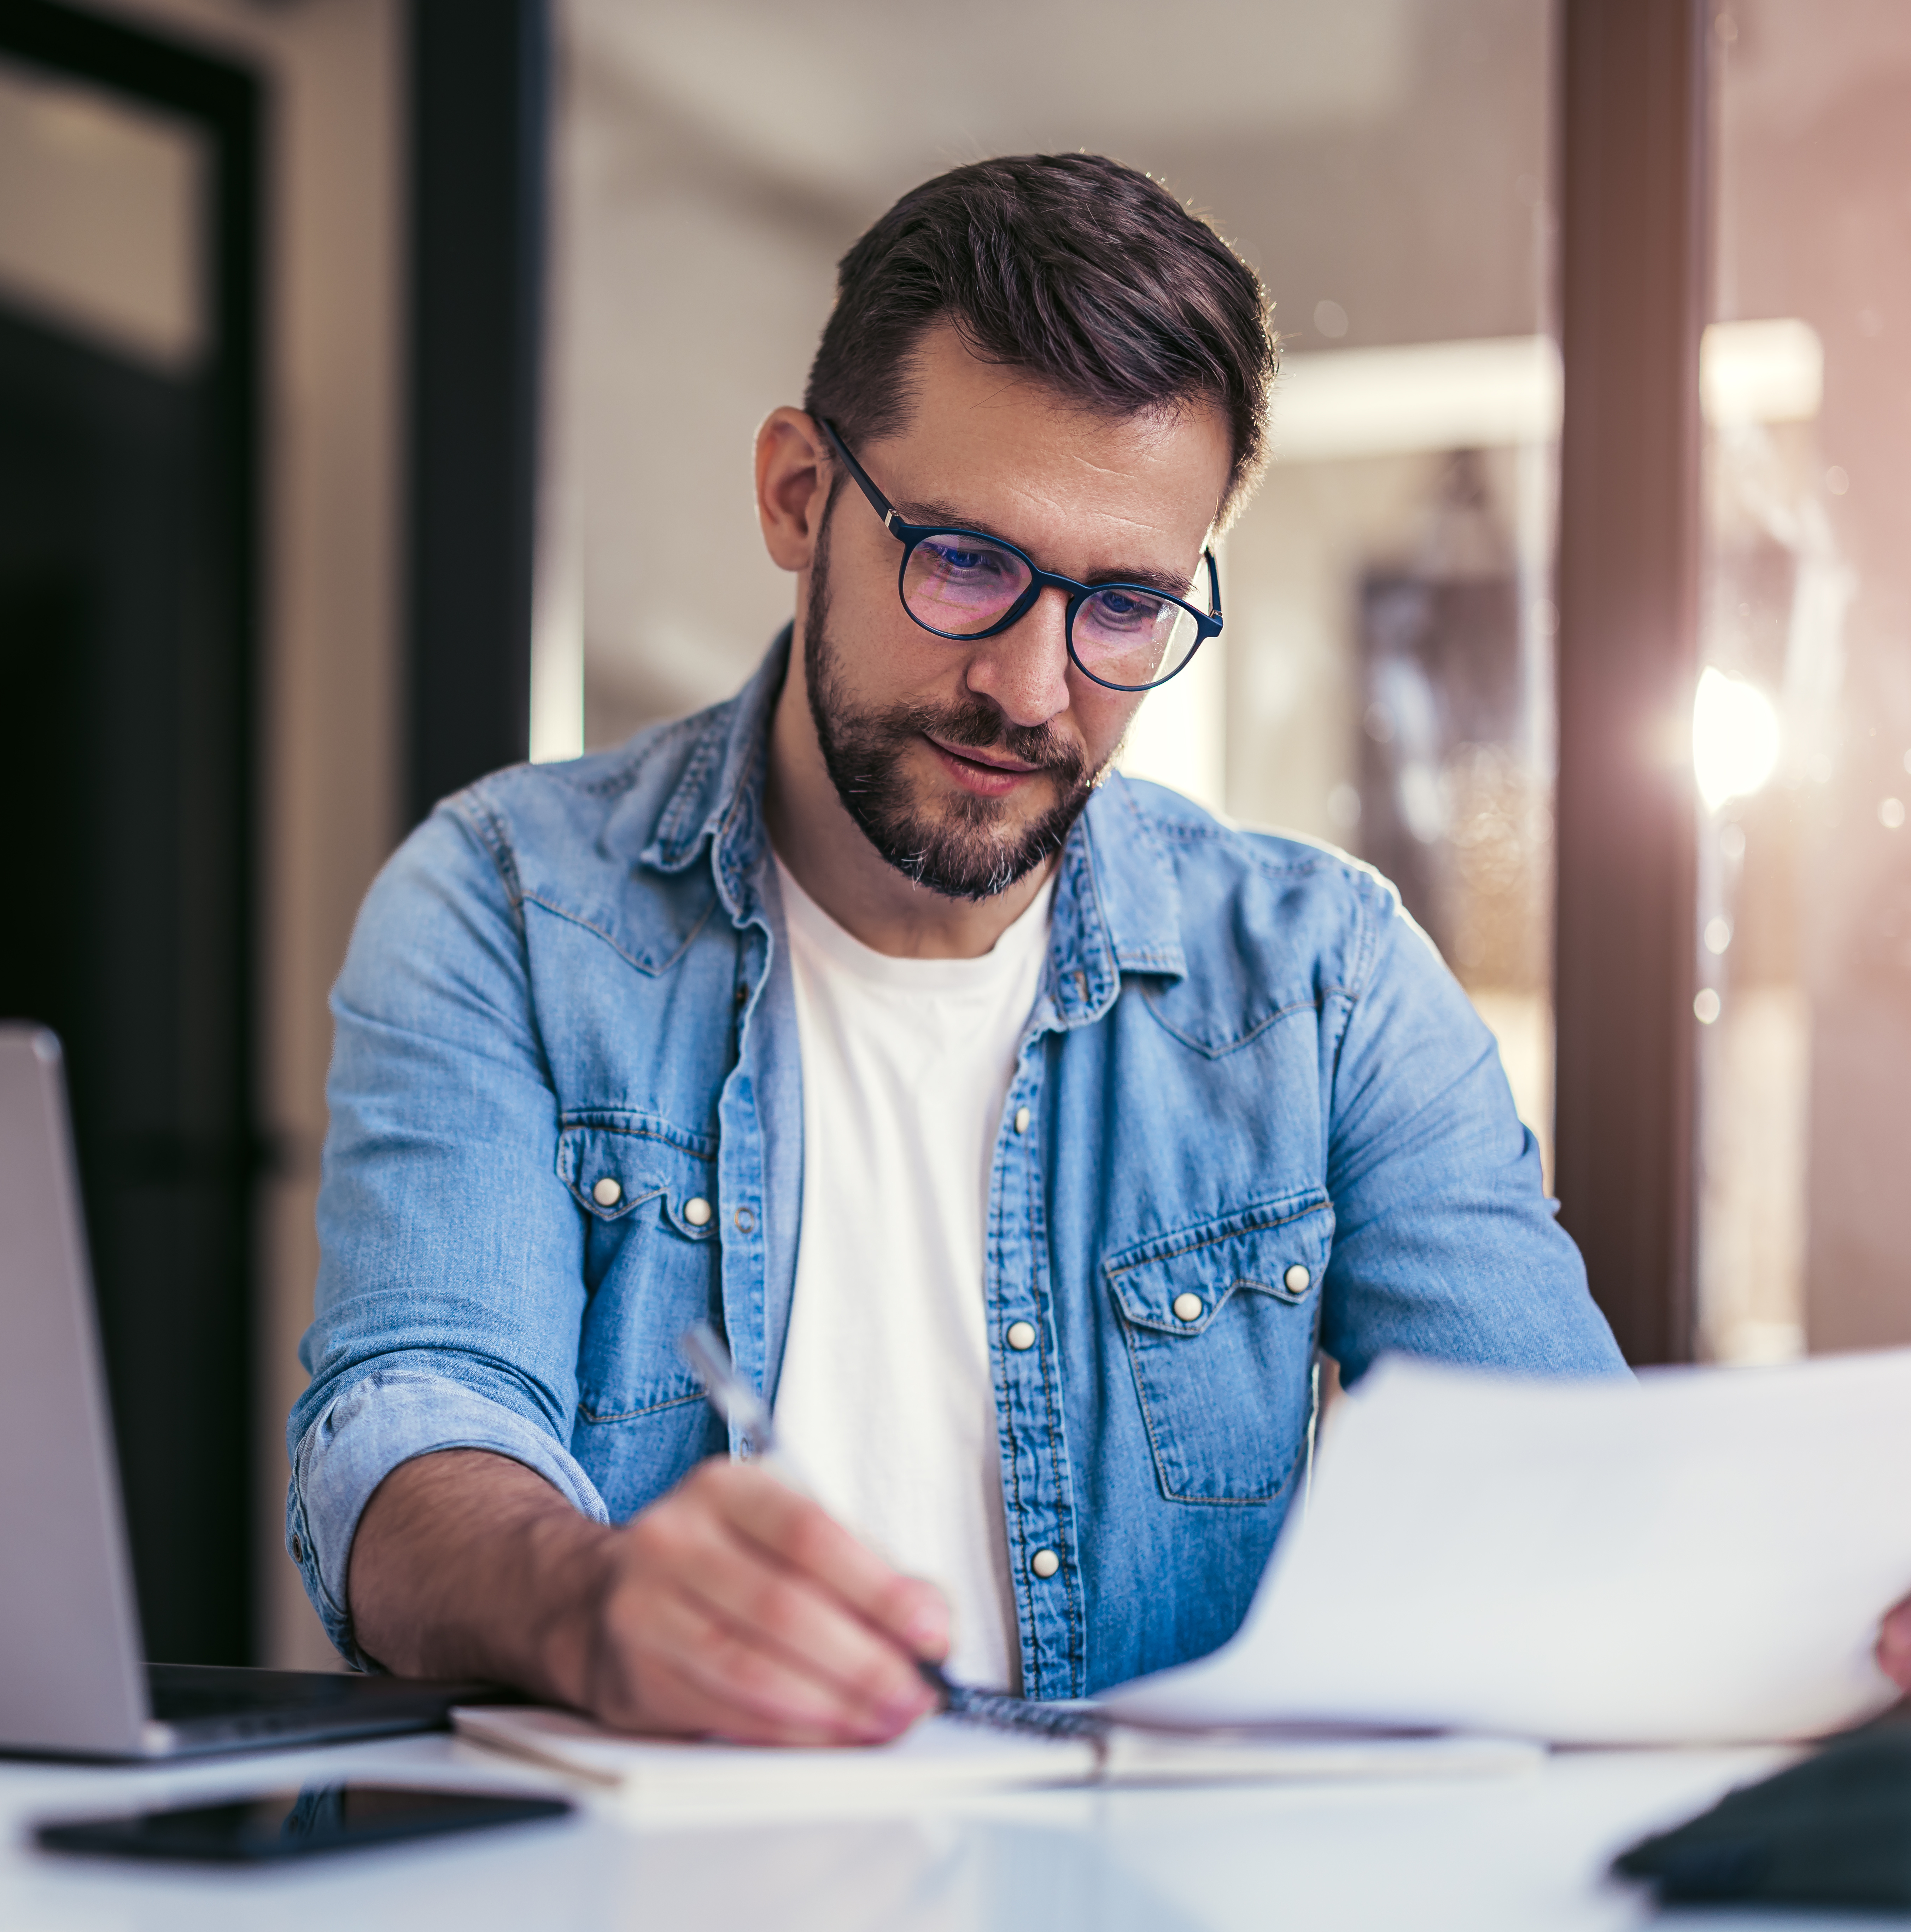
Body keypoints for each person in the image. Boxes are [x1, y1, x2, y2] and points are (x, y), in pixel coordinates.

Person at [287, 153, 1911, 1744]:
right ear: (798, 495)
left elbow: (1572, 1502)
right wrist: (581, 1601)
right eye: (968, 563)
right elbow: (410, 1433)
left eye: (1124, 604)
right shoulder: (507, 901)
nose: (1032, 687)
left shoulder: (1320, 979)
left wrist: (1831, 1616)